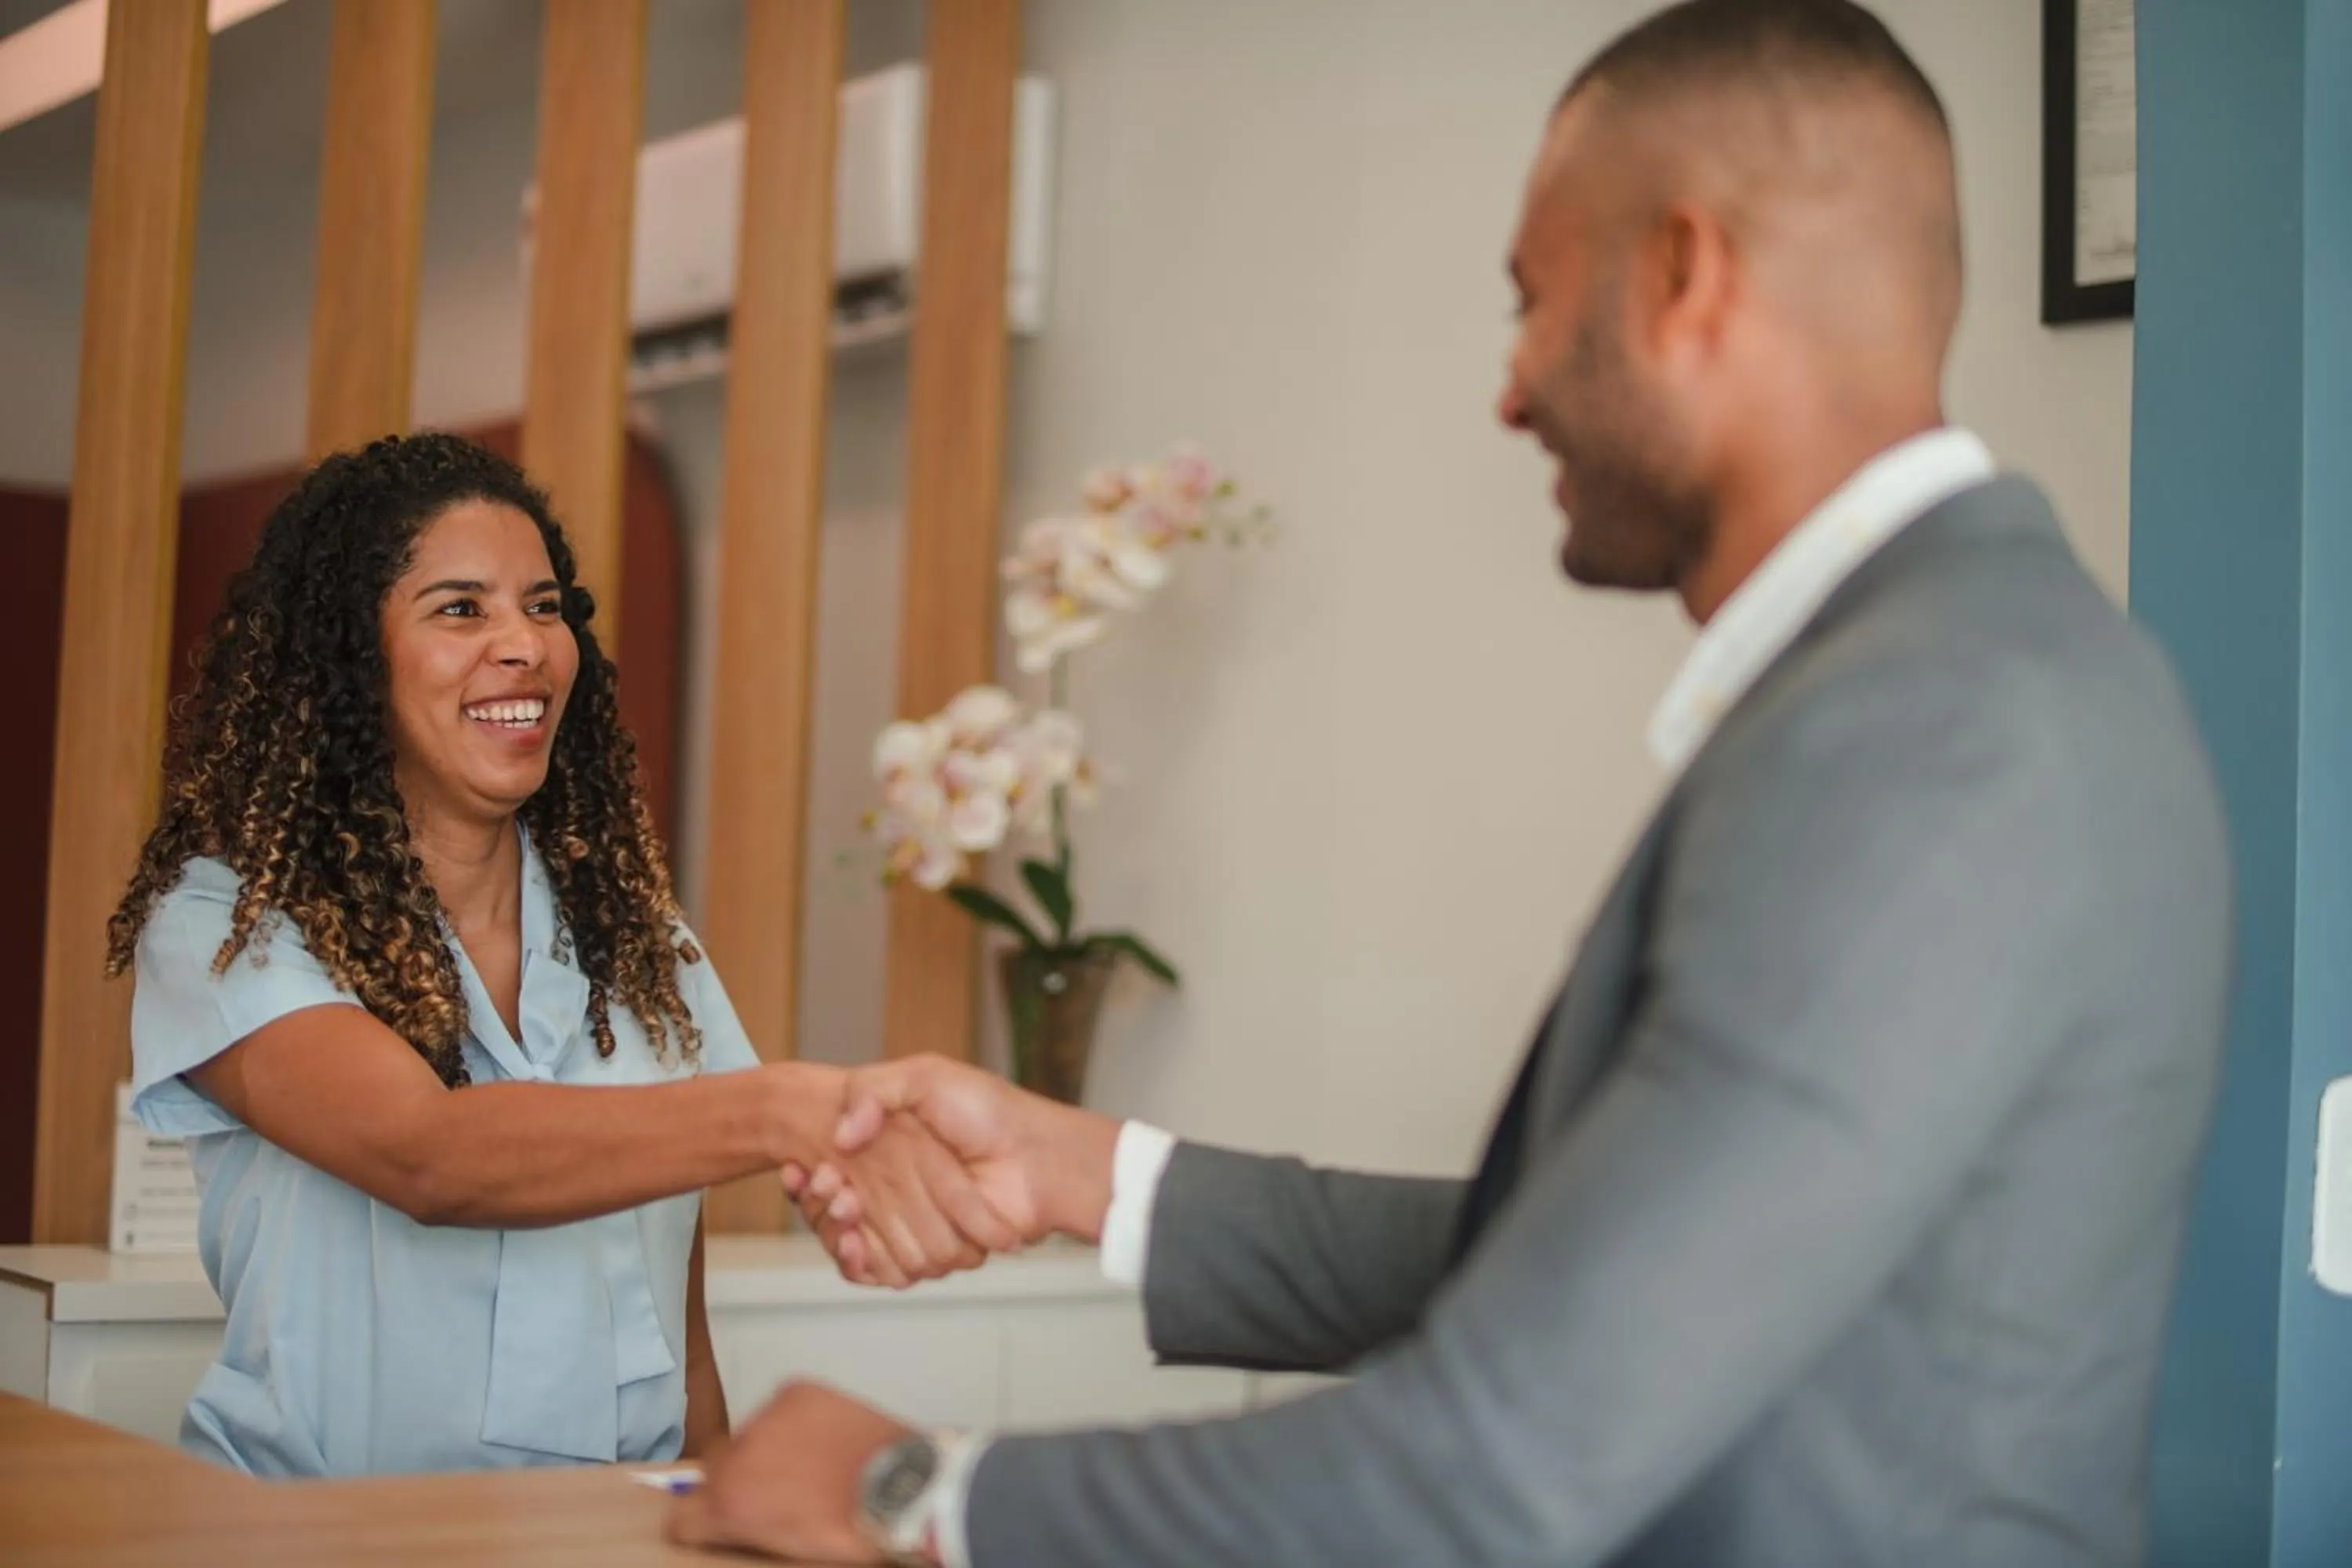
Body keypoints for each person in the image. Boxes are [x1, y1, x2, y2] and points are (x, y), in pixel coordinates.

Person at [666, 2, 2234, 1566]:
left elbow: (1500, 1462)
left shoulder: (1940, 728)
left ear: (1686, 279)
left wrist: (916, 1496)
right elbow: (1592, 1265)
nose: (1510, 384)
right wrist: (1083, 1170)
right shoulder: (1957, 680)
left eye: (1534, 300)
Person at [111, 433, 1015, 1478]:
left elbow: (682, 1324)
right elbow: (429, 1157)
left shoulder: (640, 944)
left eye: (545, 607)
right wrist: (783, 1108)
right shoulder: (232, 922)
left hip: (608, 1530)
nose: (526, 646)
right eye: (461, 608)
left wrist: (709, 1513)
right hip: (324, 1536)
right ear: (347, 658)